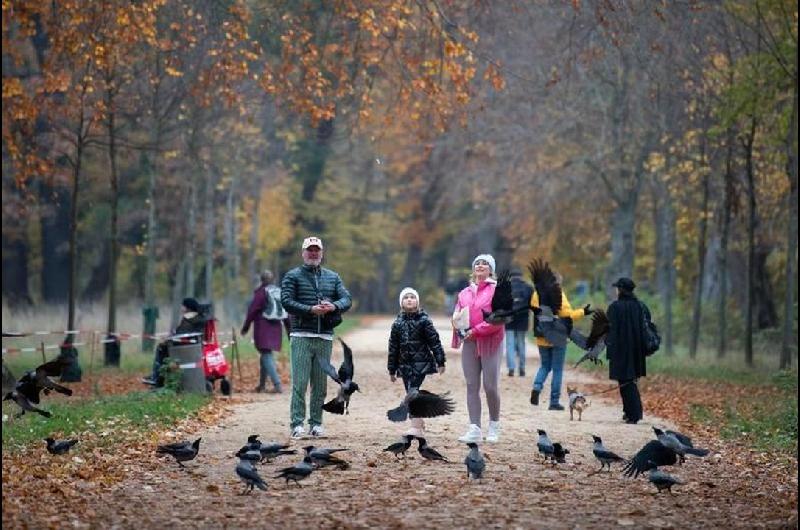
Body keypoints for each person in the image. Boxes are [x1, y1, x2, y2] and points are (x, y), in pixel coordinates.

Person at [281, 236, 352, 439]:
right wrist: (310, 310)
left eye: (316, 250)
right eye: (309, 250)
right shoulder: (292, 276)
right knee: (300, 383)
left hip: (324, 337)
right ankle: (297, 424)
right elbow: (286, 301)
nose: (313, 253)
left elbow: (347, 299)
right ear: (303, 253)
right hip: (301, 335)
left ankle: (316, 423)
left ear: (322, 253)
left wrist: (334, 306)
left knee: (320, 385)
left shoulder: (333, 277)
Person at [451, 254, 505, 444]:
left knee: (490, 386)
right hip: (470, 341)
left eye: (485, 264)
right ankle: (474, 428)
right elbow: (458, 314)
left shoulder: (497, 290)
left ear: (491, 270)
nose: (480, 266)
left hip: (491, 341)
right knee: (472, 385)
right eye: (477, 263)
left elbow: (499, 318)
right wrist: (458, 328)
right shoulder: (465, 292)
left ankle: (494, 425)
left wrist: (477, 330)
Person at [388, 287, 446, 437]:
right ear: (401, 302)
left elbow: (435, 342)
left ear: (417, 302)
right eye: (406, 297)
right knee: (410, 392)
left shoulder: (424, 321)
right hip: (404, 365)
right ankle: (418, 423)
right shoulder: (397, 324)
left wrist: (440, 361)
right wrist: (392, 369)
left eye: (412, 297)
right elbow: (393, 348)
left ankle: (416, 427)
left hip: (421, 364)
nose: (409, 299)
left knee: (412, 392)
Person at [529, 274, 589, 410]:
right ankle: (554, 401)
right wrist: (583, 312)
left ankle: (537, 387)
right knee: (557, 370)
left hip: (542, 336)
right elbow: (568, 316)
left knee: (544, 366)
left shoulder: (536, 294)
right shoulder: (559, 295)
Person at [606, 277, 650, 424]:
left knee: (625, 382)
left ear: (621, 290)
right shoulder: (639, 306)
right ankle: (629, 411)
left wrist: (609, 349)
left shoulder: (614, 307)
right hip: (637, 350)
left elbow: (609, 331)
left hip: (620, 350)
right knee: (631, 380)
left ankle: (634, 414)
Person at [241, 270, 291, 394]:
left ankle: (277, 385)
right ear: (273, 279)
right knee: (266, 354)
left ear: (261, 280)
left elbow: (252, 311)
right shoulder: (278, 292)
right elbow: (286, 312)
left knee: (266, 354)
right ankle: (262, 385)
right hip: (276, 328)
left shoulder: (260, 293)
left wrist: (245, 327)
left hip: (263, 328)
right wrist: (289, 329)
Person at [142, 298, 206, 387]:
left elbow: (182, 335)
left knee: (161, 348)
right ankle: (158, 377)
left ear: (187, 307)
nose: (181, 308)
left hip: (185, 348)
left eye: (182, 306)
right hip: (194, 346)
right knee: (163, 347)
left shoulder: (189, 319)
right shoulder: (199, 318)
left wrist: (168, 340)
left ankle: (157, 377)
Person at [505, 268, 534, 377]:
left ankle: (511, 368)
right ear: (521, 276)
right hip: (523, 318)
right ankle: (522, 368)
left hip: (509, 318)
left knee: (509, 344)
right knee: (522, 343)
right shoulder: (528, 288)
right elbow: (533, 305)